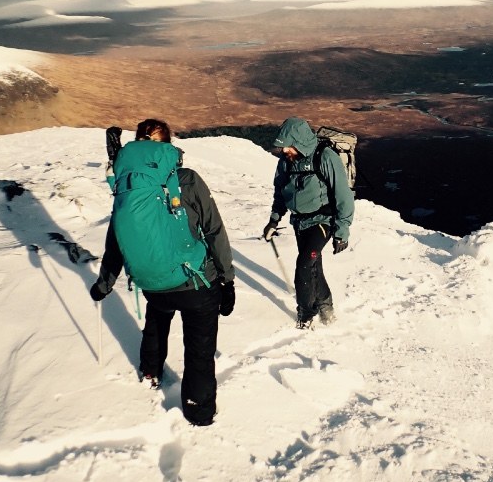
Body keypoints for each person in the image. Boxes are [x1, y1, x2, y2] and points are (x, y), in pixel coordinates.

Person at [90, 119, 235, 427]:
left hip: (152, 283)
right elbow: (213, 230)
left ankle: (151, 372)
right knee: (199, 350)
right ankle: (198, 412)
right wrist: (227, 279)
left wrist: (105, 282)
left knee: (157, 321)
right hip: (196, 282)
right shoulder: (188, 179)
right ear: (169, 146)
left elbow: (117, 236)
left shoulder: (126, 184)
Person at [263, 117, 353, 329]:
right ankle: (326, 308)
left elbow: (343, 195)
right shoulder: (286, 162)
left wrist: (342, 231)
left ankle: (305, 315)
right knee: (313, 266)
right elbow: (280, 193)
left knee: (304, 264)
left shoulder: (325, 156)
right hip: (299, 222)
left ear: (299, 141)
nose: (285, 151)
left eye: (288, 147)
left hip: (322, 221)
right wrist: (274, 220)